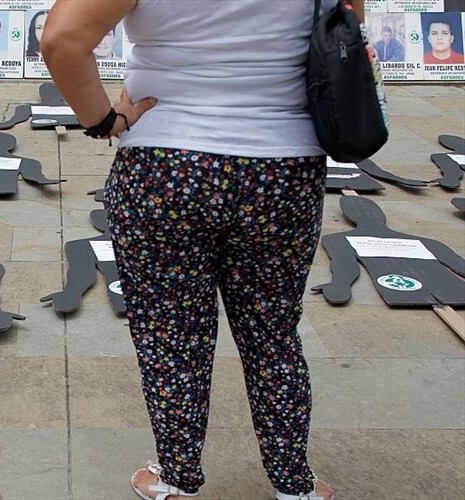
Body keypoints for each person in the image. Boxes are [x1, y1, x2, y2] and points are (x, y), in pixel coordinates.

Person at [42, 1, 345, 499]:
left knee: (171, 335)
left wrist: (103, 120)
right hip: (282, 167)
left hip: (167, 165)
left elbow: (62, 39)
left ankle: (177, 478)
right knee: (273, 334)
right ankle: (296, 485)